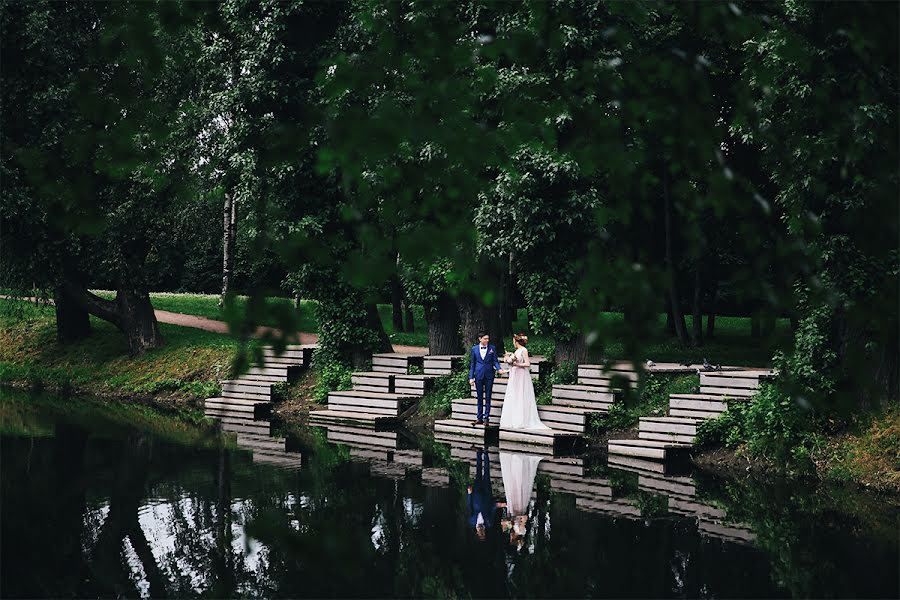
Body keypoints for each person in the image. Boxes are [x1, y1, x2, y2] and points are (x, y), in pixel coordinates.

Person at [499, 333, 551, 431]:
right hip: (515, 375)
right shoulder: (516, 351)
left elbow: (527, 364)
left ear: (516, 341)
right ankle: (513, 419)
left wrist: (515, 363)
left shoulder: (523, 350)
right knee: (514, 395)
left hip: (521, 375)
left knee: (521, 394)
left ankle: (522, 420)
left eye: (513, 341)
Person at [498, 450, 543, 550]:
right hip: (520, 505)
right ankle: (520, 463)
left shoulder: (511, 529)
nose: (510, 536)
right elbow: (525, 517)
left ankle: (513, 463)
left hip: (511, 505)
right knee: (520, 487)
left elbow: (502, 522)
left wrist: (507, 521)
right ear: (513, 539)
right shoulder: (520, 530)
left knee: (511, 486)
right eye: (511, 538)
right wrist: (515, 518)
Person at [469, 333, 501, 426]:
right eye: (485, 339)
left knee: (488, 396)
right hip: (478, 375)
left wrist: (499, 369)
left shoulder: (492, 348)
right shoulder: (474, 349)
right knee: (479, 397)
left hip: (489, 375)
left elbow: (495, 360)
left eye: (488, 338)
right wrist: (471, 377)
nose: (487, 340)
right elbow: (473, 364)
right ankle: (479, 418)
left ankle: (486, 418)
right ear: (480, 339)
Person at [467, 448, 495, 541]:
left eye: (480, 533)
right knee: (487, 473)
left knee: (478, 472)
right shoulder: (489, 523)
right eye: (483, 533)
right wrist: (497, 505)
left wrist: (469, 494)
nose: (481, 531)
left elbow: (470, 507)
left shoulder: (472, 521)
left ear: (477, 532)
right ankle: (486, 454)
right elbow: (492, 509)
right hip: (487, 495)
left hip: (476, 496)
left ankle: (478, 453)